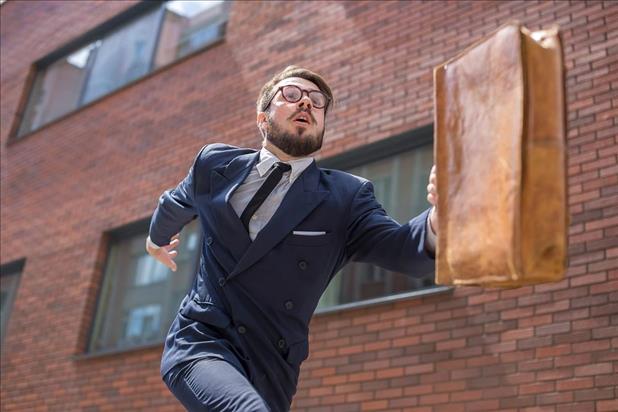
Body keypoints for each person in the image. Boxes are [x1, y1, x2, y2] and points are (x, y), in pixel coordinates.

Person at [146, 65, 439, 412]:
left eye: (317, 102)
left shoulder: (346, 196)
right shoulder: (215, 164)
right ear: (262, 118)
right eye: (291, 95)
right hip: (202, 340)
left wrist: (441, 212)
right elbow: (175, 202)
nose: (306, 104)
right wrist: (155, 239)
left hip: (273, 363)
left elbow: (404, 250)